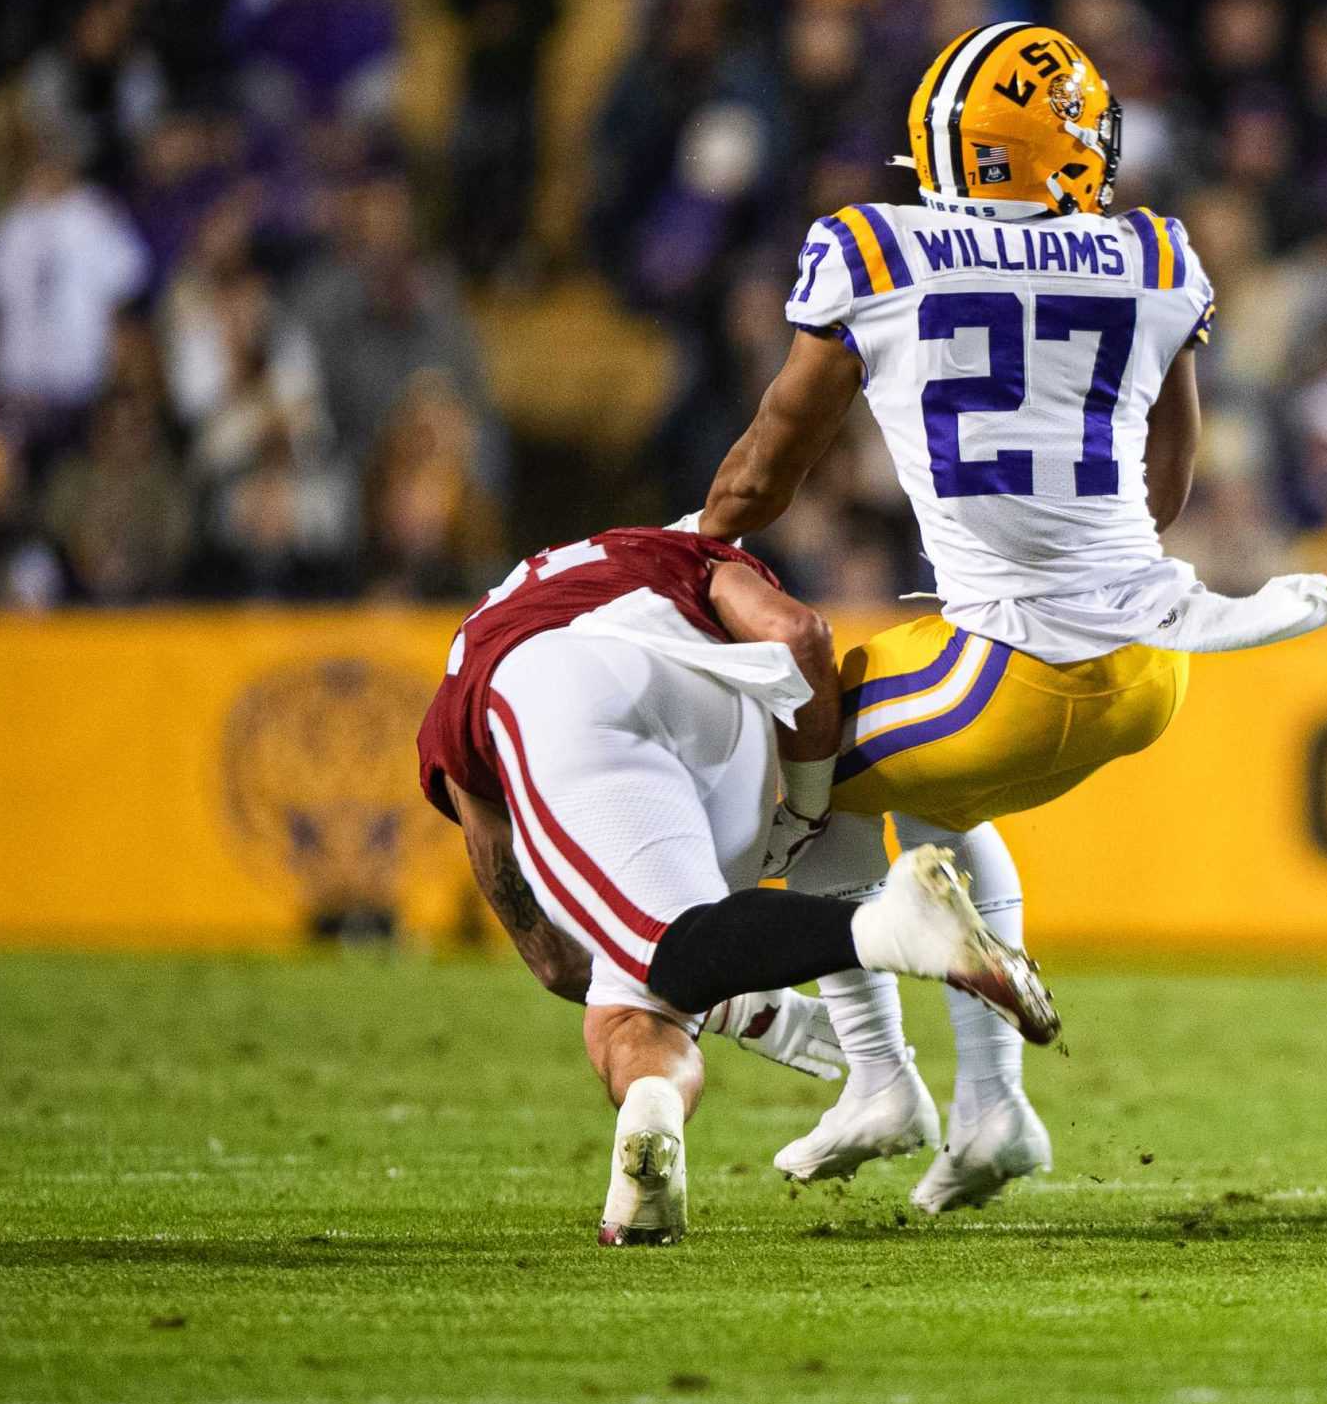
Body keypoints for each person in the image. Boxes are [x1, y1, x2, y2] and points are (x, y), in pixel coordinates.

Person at [696, 23, 1327, 1211]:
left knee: (793, 760)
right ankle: (991, 1113)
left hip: (1012, 668)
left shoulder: (873, 248)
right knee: (920, 801)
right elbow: (1168, 472)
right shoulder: (1151, 253)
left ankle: (883, 1081)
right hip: (1145, 652)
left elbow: (768, 464)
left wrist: (690, 553)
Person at [415, 524, 1058, 1245]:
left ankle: (891, 930)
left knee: (653, 960)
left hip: (557, 682)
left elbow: (552, 955)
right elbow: (801, 635)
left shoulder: (480, 644)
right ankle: (652, 1115)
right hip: (724, 702)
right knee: (650, 984)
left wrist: (751, 1011)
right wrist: (810, 806)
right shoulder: (689, 551)